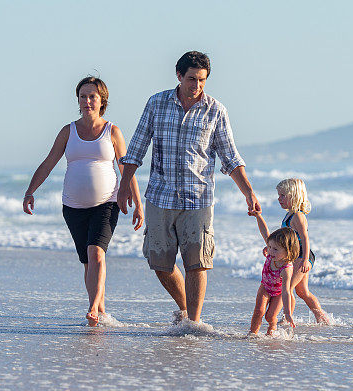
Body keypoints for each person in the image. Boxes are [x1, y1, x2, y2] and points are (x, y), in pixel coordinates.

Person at [117, 51, 260, 324]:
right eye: (192, 79)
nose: (197, 86)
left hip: (199, 198)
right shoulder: (156, 103)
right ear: (179, 76)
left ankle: (193, 322)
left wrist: (248, 192)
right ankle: (185, 309)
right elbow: (136, 148)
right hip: (161, 196)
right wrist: (124, 186)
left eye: (202, 80)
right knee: (160, 263)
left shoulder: (216, 110)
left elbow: (230, 156)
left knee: (197, 263)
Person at [23, 77, 143, 327]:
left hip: (107, 202)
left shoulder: (112, 131)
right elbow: (49, 162)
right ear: (77, 100)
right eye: (83, 96)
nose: (87, 101)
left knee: (96, 252)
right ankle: (100, 308)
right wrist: (30, 191)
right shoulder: (68, 131)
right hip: (73, 207)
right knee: (88, 261)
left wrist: (138, 204)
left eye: (93, 97)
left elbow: (126, 168)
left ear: (102, 101)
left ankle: (92, 309)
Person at [275, 178, 332, 324]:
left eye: (283, 196)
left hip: (302, 256)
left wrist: (305, 259)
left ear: (294, 196)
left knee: (287, 287)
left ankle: (286, 318)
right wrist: (271, 246)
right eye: (279, 195)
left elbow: (305, 239)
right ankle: (323, 318)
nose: (279, 199)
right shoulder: (288, 214)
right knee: (302, 292)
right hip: (295, 256)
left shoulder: (298, 216)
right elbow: (284, 238)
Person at [246, 224, 298, 335]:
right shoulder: (273, 252)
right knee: (258, 311)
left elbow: (286, 291)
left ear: (288, 251)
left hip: (278, 293)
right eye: (269, 247)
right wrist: (258, 216)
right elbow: (264, 232)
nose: (270, 251)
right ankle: (252, 334)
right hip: (265, 287)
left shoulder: (286, 269)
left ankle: (271, 330)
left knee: (270, 316)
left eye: (275, 249)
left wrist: (288, 313)